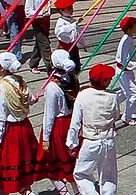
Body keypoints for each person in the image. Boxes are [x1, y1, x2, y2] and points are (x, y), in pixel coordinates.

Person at [0, 52, 39, 195]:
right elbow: (30, 98)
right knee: (23, 163)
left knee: (5, 164)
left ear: (2, 68)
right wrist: (34, 99)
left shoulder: (3, 87)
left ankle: (4, 190)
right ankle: (26, 191)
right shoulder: (21, 81)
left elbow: (1, 116)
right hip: (25, 127)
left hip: (10, 131)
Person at [67, 64, 120, 195]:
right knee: (109, 175)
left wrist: (72, 143)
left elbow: (75, 122)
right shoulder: (113, 96)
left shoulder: (83, 95)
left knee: (81, 173)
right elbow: (117, 115)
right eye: (108, 79)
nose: (111, 80)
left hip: (90, 140)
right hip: (108, 140)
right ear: (102, 81)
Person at [40, 50, 79, 195]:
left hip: (58, 126)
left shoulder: (52, 87)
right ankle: (77, 191)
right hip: (71, 122)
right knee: (71, 161)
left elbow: (49, 114)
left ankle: (64, 192)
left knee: (51, 163)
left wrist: (45, 138)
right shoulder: (72, 79)